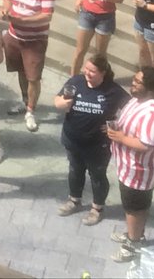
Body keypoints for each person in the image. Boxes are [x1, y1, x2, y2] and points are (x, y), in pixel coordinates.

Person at [54, 53, 129, 227]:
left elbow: (131, 110)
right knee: (75, 170)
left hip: (98, 144)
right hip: (72, 139)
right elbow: (57, 100)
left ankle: (97, 208)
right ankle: (74, 200)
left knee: (97, 175)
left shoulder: (113, 90)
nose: (87, 73)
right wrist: (61, 104)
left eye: (92, 71)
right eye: (86, 69)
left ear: (103, 73)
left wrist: (116, 125)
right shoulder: (76, 82)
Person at [106, 66, 154, 263]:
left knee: (134, 208)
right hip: (128, 166)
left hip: (139, 172)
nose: (132, 83)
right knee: (135, 206)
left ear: (150, 88)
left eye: (138, 82)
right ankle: (135, 233)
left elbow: (146, 143)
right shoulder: (140, 98)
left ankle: (133, 244)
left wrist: (121, 137)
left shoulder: (153, 113)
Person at [3, 0, 55, 133]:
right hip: (14, 36)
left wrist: (22, 20)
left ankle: (31, 110)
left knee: (33, 77)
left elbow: (46, 16)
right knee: (21, 71)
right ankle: (25, 100)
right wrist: (5, 10)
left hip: (34, 40)